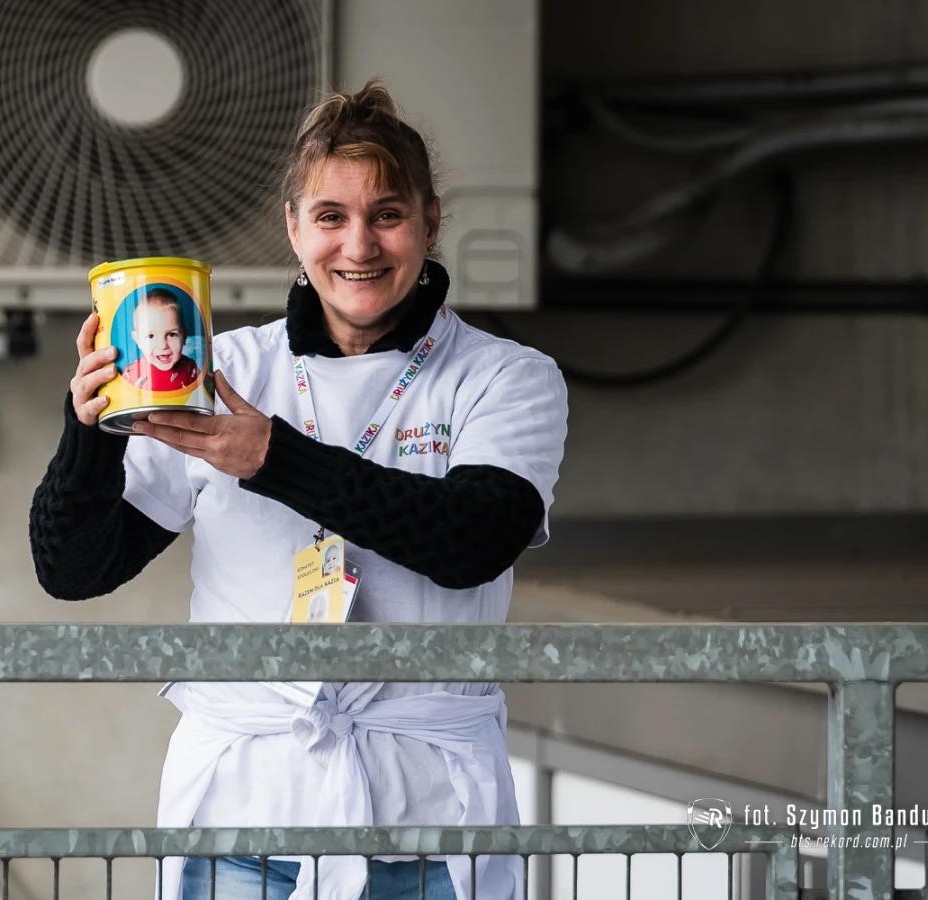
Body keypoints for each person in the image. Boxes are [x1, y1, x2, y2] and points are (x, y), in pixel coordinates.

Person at [29, 78, 568, 900]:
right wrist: (89, 430)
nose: (359, 245)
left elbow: (471, 542)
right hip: (240, 823)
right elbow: (73, 567)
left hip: (424, 827)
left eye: (387, 214)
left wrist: (271, 458)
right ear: (293, 228)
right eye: (331, 217)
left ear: (430, 223)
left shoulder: (505, 376)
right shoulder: (223, 373)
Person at [123, 287, 201, 391]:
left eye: (171, 334)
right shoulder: (131, 374)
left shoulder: (190, 368)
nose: (162, 345)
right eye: (150, 336)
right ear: (137, 340)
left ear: (184, 336)